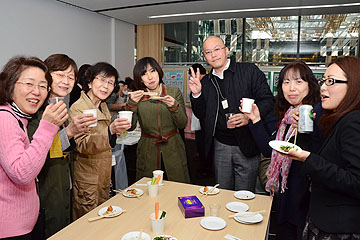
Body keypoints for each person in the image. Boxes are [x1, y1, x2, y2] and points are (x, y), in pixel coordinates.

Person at [242, 61, 321, 240]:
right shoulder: (286, 115)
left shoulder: (317, 113)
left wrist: (307, 125)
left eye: (298, 82)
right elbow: (270, 151)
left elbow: (317, 155)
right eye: (286, 82)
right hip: (285, 192)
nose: (291, 88)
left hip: (306, 198)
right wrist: (255, 120)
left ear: (310, 84)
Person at [189, 36, 274, 191]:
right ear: (205, 57)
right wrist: (197, 94)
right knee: (222, 191)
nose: (213, 55)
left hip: (248, 144)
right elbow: (201, 114)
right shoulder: (206, 82)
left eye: (217, 49)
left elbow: (267, 100)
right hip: (221, 145)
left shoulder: (249, 71)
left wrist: (248, 117)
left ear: (226, 50)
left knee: (245, 194)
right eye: (208, 52)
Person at [288, 56, 360, 239]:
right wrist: (304, 133)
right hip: (322, 219)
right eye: (323, 81)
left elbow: (356, 181)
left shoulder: (353, 121)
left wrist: (308, 159)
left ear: (353, 85)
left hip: (339, 228)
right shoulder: (338, 118)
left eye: (331, 81)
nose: (323, 88)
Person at [26, 54, 97, 238]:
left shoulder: (60, 105)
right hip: (45, 188)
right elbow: (35, 151)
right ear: (46, 75)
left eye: (71, 76)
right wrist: (70, 132)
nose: (66, 81)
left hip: (64, 182)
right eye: (60, 74)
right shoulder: (36, 110)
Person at [0, 56, 67, 239]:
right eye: (29, 84)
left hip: (24, 223)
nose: (36, 92)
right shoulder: (5, 118)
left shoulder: (18, 118)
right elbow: (21, 173)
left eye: (43, 86)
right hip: (11, 230)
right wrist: (47, 126)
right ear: (10, 84)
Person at [69, 62, 131, 220]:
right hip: (88, 179)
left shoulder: (103, 106)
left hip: (103, 174)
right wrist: (110, 131)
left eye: (111, 82)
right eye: (102, 80)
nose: (106, 86)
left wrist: (115, 132)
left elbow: (103, 138)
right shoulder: (78, 108)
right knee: (88, 223)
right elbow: (82, 144)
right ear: (89, 81)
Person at [127, 57, 190, 183]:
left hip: (173, 147)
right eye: (144, 74)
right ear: (140, 79)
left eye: (152, 71)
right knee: (148, 190)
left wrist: (174, 106)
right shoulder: (138, 96)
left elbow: (182, 124)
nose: (150, 77)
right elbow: (130, 126)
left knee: (177, 187)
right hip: (148, 149)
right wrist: (131, 104)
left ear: (159, 72)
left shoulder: (173, 92)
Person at [188, 64, 210, 176]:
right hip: (207, 121)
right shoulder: (209, 80)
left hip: (205, 121)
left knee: (203, 146)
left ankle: (205, 170)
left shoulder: (204, 83)